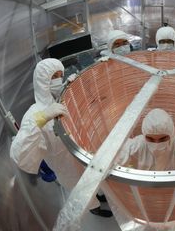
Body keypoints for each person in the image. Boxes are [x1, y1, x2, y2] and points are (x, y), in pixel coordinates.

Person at [9, 58, 112, 217]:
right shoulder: (34, 114)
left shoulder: (65, 96)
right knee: (83, 193)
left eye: (60, 75)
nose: (58, 80)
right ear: (42, 82)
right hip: (67, 168)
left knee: (95, 184)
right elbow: (20, 154)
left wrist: (99, 67)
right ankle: (95, 209)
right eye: (53, 77)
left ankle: (99, 197)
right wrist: (41, 119)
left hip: (86, 158)